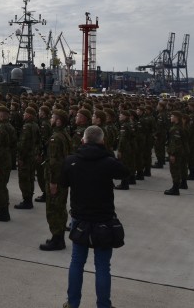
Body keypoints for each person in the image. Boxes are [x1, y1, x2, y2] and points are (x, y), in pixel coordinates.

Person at [61, 125, 129, 308]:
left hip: (80, 218)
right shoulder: (108, 162)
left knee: (77, 262)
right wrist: (108, 154)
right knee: (103, 266)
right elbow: (125, 173)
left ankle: (73, 303)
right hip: (103, 219)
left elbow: (63, 183)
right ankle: (104, 305)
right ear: (102, 141)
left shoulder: (71, 161)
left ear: (83, 140)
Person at [40, 109, 73, 251]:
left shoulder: (55, 138)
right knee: (60, 208)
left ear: (58, 121)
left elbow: (54, 162)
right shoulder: (64, 134)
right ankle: (58, 238)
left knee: (53, 209)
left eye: (53, 117)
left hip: (56, 179)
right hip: (63, 178)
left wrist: (53, 181)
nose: (51, 119)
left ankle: (57, 239)